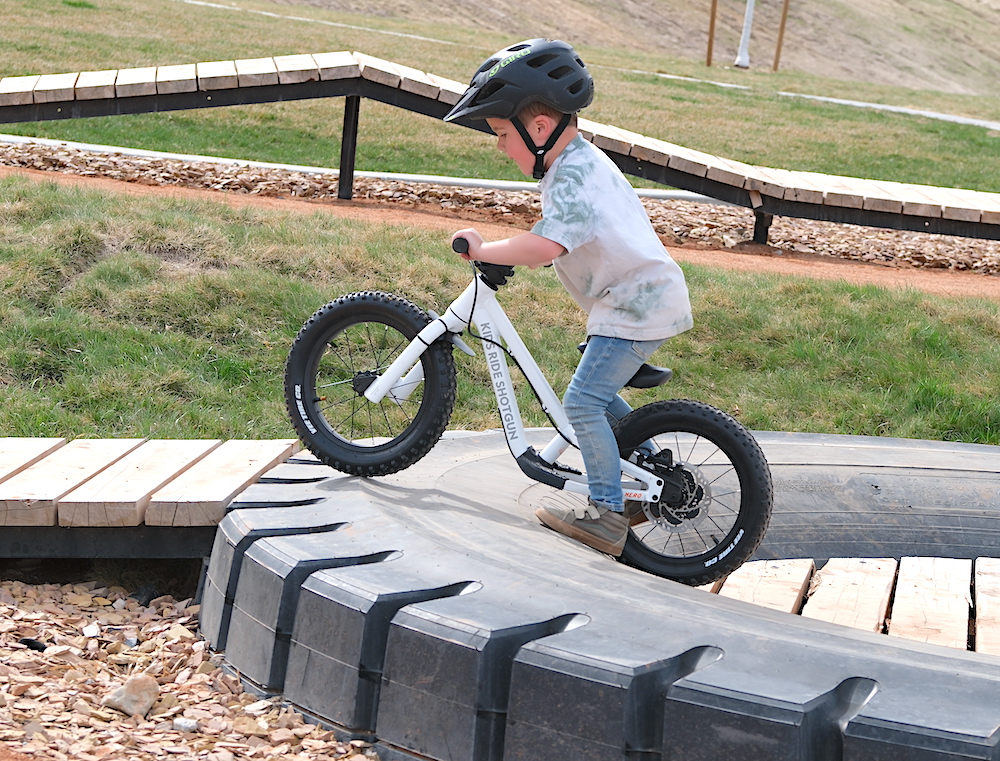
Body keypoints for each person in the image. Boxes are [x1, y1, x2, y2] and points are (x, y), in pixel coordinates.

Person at [444, 39, 693, 557]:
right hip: (636, 301)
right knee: (594, 396)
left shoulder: (575, 173)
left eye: (500, 133)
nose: (498, 146)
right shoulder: (577, 163)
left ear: (538, 129)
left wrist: (488, 248)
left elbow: (546, 245)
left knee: (581, 403)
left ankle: (606, 516)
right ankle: (646, 468)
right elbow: (551, 235)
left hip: (635, 306)